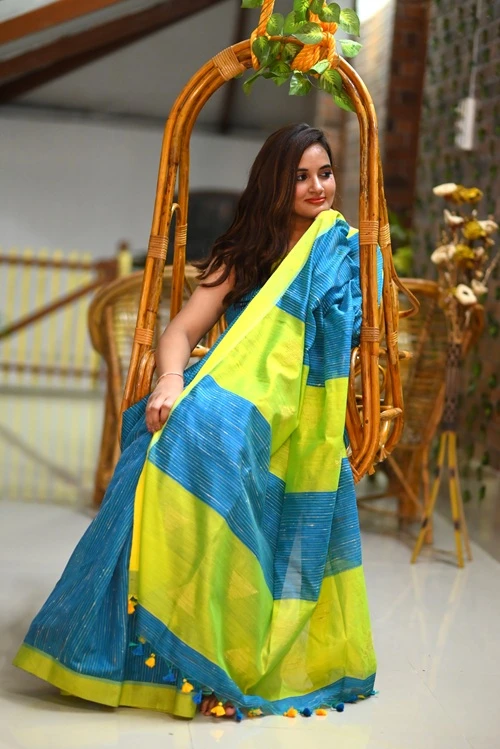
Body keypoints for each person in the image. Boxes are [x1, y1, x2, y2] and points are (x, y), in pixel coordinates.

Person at [14, 123, 378, 720]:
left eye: (325, 173)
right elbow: (182, 331)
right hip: (227, 386)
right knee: (159, 439)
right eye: (300, 176)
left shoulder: (344, 252)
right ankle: (118, 649)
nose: (318, 187)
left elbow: (354, 339)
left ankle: (204, 641)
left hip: (298, 405)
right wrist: (169, 379)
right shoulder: (246, 252)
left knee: (210, 439)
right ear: (274, 183)